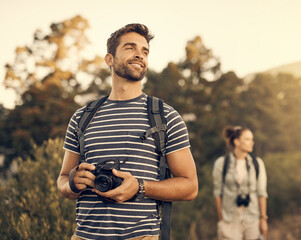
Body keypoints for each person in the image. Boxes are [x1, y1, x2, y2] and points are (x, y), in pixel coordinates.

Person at [57, 23, 198, 240]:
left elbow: (190, 187)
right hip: (84, 236)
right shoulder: (82, 117)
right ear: (109, 59)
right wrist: (74, 183)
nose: (139, 55)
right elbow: (63, 181)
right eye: (130, 48)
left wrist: (140, 187)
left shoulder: (165, 116)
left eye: (145, 51)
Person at [212, 126, 268, 240]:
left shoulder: (257, 163)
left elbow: (262, 193)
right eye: (247, 139)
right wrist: (221, 220)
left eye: (252, 139)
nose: (252, 142)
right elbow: (217, 193)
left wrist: (263, 219)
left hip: (252, 219)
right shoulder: (222, 163)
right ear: (237, 142)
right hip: (229, 219)